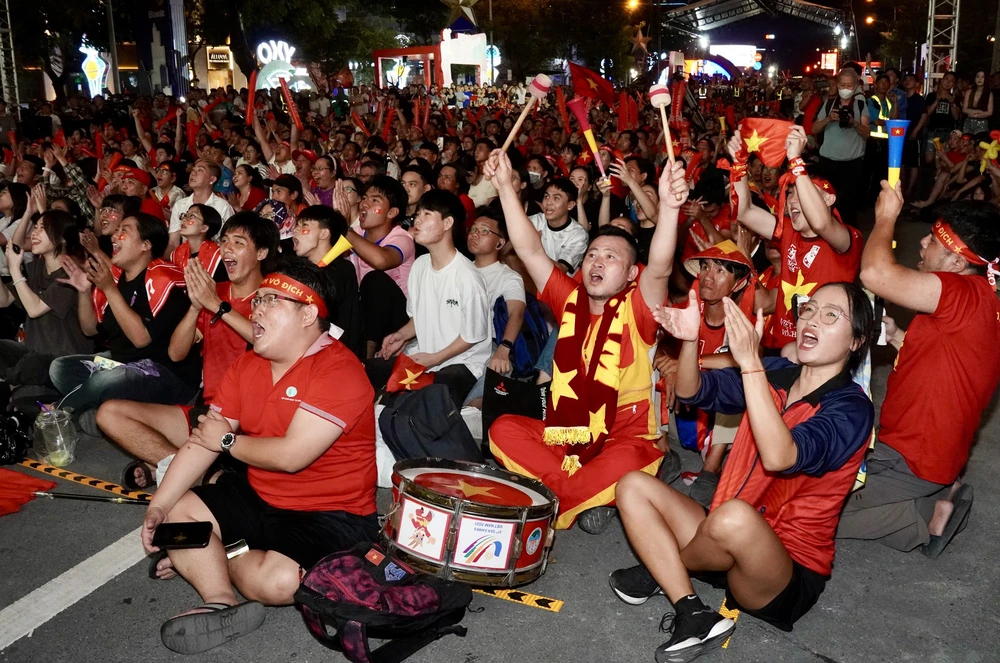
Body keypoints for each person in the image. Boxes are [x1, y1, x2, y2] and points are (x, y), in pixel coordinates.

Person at [610, 281, 875, 662]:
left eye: (831, 315)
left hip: (782, 573)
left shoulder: (851, 409)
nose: (812, 320)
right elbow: (690, 390)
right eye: (809, 309)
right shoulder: (779, 372)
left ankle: (663, 566)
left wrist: (751, 363)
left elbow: (780, 456)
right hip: (723, 535)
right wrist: (689, 341)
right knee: (633, 485)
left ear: (856, 341)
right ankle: (693, 611)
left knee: (732, 517)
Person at [141, 258, 378, 655]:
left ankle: (213, 550)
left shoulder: (340, 369)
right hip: (261, 496)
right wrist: (158, 506)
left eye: (271, 300)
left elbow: (291, 456)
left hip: (332, 513)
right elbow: (202, 441)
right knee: (174, 516)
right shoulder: (247, 365)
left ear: (308, 314)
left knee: (278, 583)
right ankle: (220, 599)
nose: (256, 308)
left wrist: (228, 443)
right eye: (258, 300)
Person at [485, 149, 684, 534]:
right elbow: (529, 250)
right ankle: (582, 493)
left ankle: (568, 492)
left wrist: (671, 208)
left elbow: (660, 266)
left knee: (626, 462)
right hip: (568, 432)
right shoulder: (569, 299)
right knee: (502, 429)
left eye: (611, 257)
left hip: (626, 437)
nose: (596, 262)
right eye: (593, 254)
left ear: (630, 275)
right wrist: (505, 189)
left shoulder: (639, 308)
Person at [837, 188, 1000, 558]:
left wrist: (885, 217)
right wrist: (897, 338)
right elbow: (951, 362)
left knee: (809, 514)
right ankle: (936, 494)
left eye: (934, 240)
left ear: (958, 263)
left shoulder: (961, 292)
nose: (923, 242)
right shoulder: (980, 301)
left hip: (910, 459)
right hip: (925, 452)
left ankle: (926, 518)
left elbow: (876, 273)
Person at [97, 214, 278, 490]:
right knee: (108, 414)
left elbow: (271, 342)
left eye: (238, 243)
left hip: (253, 416)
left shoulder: (274, 295)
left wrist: (218, 306)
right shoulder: (214, 292)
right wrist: (196, 307)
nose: (227, 249)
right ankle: (197, 473)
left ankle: (177, 466)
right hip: (209, 410)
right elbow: (176, 353)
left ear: (262, 252)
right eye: (224, 242)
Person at [51, 213, 200, 416]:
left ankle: (58, 414)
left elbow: (141, 339)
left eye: (124, 231)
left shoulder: (163, 277)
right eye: (117, 230)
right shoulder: (117, 279)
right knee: (60, 368)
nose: (114, 236)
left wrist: (110, 290)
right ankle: (103, 414)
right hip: (122, 365)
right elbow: (90, 329)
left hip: (166, 374)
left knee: (105, 380)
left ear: (145, 245)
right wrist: (84, 291)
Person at [731, 126, 864, 351]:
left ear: (829, 199)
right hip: (784, 345)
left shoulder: (847, 239)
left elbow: (821, 223)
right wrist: (739, 163)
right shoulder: (788, 231)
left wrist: (795, 160)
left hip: (822, 349)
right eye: (791, 193)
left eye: (803, 193)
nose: (793, 200)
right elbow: (745, 211)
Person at [370, 190, 491, 408]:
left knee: (426, 402)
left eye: (427, 214)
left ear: (447, 223)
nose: (418, 220)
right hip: (425, 358)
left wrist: (435, 358)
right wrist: (400, 335)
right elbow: (420, 318)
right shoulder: (420, 265)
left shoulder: (467, 276)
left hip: (462, 363)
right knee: (368, 374)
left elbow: (471, 337)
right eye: (417, 214)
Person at [658, 241, 755, 509]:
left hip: (720, 429)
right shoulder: (686, 312)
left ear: (737, 285)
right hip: (678, 415)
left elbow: (737, 359)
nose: (708, 276)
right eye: (705, 267)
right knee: (648, 362)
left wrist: (686, 365)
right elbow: (647, 342)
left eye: (721, 270)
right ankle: (663, 451)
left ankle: (711, 470)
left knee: (738, 380)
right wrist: (666, 365)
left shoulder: (743, 322)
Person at [0, 209, 92, 410]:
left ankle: (12, 383)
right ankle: (13, 382)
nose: (34, 232)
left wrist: (14, 269)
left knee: (28, 377)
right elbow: (4, 299)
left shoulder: (72, 273)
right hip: (34, 354)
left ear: (61, 237)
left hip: (63, 360)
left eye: (43, 228)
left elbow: (34, 309)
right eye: (36, 227)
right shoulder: (35, 269)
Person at [345, 176, 415, 358]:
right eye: (365, 198)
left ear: (391, 213)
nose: (365, 204)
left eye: (374, 200)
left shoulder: (402, 238)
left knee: (374, 280)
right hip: (366, 313)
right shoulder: (358, 232)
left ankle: (366, 359)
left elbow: (381, 261)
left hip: (398, 319)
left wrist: (345, 231)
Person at [464, 206, 526, 408]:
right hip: (454, 337)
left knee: (499, 367)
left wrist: (504, 348)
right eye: (473, 229)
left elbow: (516, 313)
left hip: (486, 341)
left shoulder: (508, 277)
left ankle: (472, 410)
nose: (475, 234)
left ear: (500, 242)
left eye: (484, 231)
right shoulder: (459, 268)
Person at [293, 204, 364, 359]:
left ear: (324, 233)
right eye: (297, 225)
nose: (296, 230)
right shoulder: (301, 270)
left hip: (336, 356)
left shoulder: (341, 270)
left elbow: (345, 323)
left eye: (304, 225)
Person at [811, 68, 871, 227]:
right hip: (828, 162)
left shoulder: (860, 105)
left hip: (852, 164)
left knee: (849, 206)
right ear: (837, 85)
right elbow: (814, 129)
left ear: (856, 86)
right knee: (826, 202)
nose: (846, 88)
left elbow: (866, 133)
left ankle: (850, 239)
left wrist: (854, 123)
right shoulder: (829, 104)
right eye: (842, 84)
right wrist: (828, 119)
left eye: (849, 85)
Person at [168, 160, 235, 256]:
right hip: (184, 258)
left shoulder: (223, 207)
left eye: (200, 170)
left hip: (213, 259)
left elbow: (226, 242)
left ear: (212, 179)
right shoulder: (180, 205)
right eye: (193, 169)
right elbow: (173, 242)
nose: (193, 173)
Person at [526, 179, 590, 274]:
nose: (548, 202)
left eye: (556, 198)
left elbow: (561, 270)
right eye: (546, 196)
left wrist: (537, 249)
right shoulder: (535, 221)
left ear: (570, 205)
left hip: (560, 285)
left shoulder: (578, 234)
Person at [169, 204, 225, 281]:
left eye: (192, 216)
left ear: (204, 228)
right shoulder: (176, 254)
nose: (184, 219)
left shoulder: (219, 256)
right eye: (185, 215)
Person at [923, 72, 961, 166]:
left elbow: (956, 117)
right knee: (928, 158)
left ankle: (937, 177)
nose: (948, 82)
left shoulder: (955, 98)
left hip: (948, 132)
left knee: (944, 159)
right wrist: (937, 101)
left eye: (951, 81)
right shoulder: (931, 96)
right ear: (942, 80)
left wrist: (952, 103)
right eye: (946, 79)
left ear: (954, 84)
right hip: (933, 130)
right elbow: (927, 113)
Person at [962, 70, 994, 135]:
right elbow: (964, 109)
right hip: (968, 123)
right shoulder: (969, 92)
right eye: (977, 77)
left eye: (982, 77)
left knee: (980, 143)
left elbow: (990, 112)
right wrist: (980, 111)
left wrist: (975, 116)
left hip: (982, 124)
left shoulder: (989, 94)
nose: (980, 79)